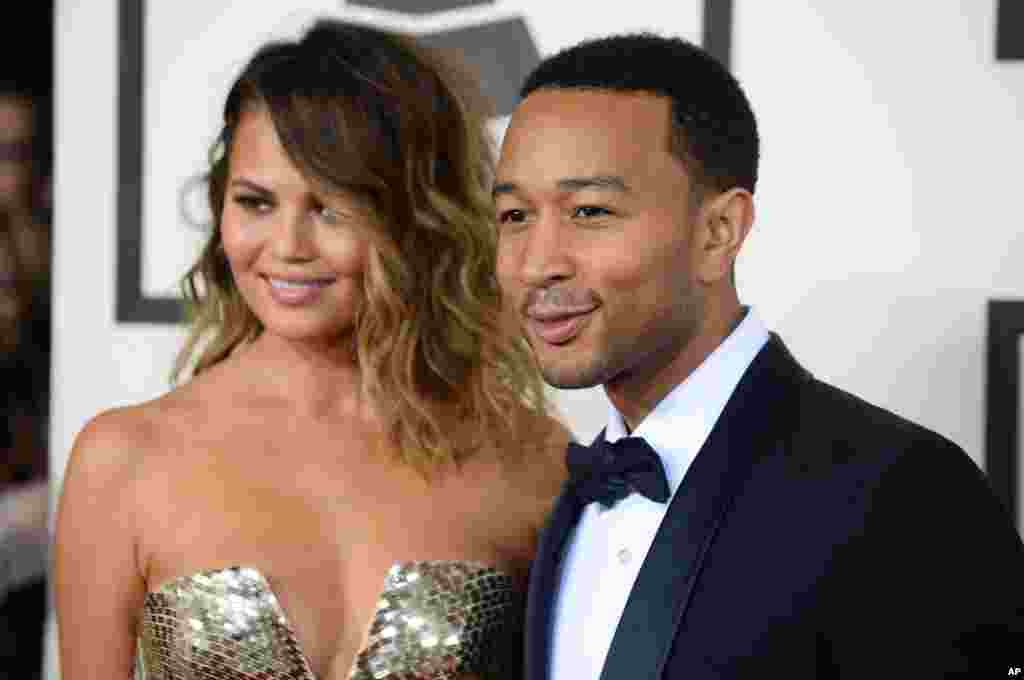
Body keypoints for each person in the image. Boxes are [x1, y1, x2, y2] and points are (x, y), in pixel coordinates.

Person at [494, 33, 1024, 678]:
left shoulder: (900, 492)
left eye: (589, 211)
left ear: (718, 232)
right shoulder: (563, 499)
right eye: (515, 215)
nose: (537, 264)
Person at [54, 19, 568, 679]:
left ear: (416, 220)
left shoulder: (532, 464)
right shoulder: (123, 460)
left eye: (330, 208)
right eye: (256, 202)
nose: (289, 246)